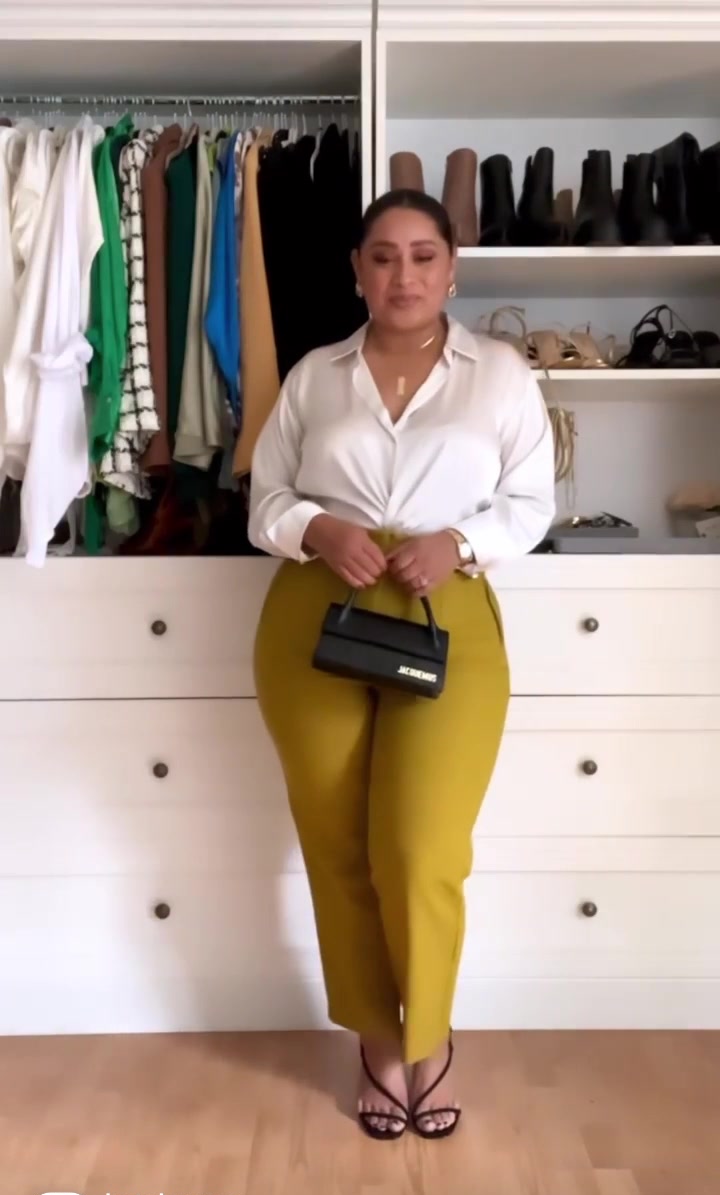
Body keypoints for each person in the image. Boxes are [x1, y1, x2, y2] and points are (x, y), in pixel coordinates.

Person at [247, 188, 556, 1140]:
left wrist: (457, 542)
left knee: (421, 848)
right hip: (317, 613)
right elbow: (266, 501)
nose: (404, 274)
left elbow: (531, 502)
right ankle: (378, 1040)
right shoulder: (315, 375)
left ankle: (430, 1035)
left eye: (424, 256)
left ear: (452, 269)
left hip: (443, 612)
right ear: (357, 270)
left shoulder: (499, 375)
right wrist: (320, 527)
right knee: (337, 847)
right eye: (384, 256)